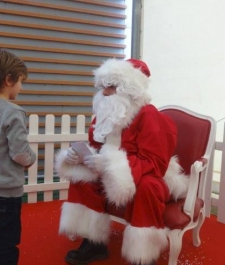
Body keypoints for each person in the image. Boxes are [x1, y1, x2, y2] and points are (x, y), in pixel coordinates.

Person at [55, 58, 189, 265]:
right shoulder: (105, 113)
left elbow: (154, 162)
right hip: (115, 169)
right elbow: (96, 145)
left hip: (150, 173)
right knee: (82, 177)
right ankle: (94, 242)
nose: (105, 92)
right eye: (103, 86)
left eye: (112, 86)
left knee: (147, 187)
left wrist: (109, 165)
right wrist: (82, 156)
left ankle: (143, 256)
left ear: (130, 90)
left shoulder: (149, 115)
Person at [0, 49, 37, 265]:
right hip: (6, 191)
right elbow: (20, 153)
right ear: (9, 79)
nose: (22, 87)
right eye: (20, 81)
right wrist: (32, 158)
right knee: (9, 239)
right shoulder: (13, 112)